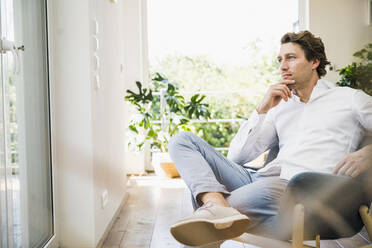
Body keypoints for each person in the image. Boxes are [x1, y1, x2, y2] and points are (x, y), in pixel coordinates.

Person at [168, 30, 372, 247]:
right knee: (182, 140)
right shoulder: (280, 105)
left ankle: (214, 208)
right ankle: (215, 205)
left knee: (202, 204)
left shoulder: (348, 99)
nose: (282, 66)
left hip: (308, 188)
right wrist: (262, 109)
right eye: (280, 60)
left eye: (291, 58)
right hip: (264, 181)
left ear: (314, 61)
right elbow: (237, 157)